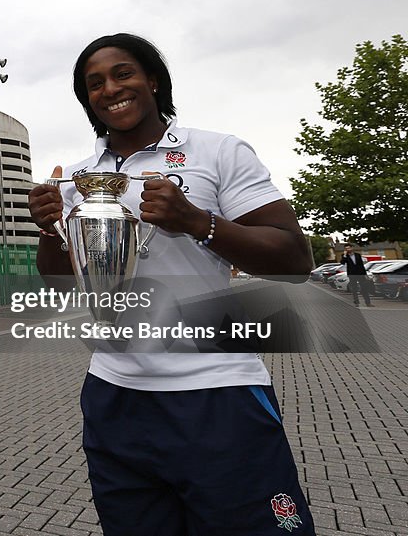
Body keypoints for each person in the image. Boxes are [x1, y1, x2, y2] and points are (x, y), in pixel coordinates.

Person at [27, 33, 316, 535]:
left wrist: (198, 221)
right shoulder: (78, 177)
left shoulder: (217, 151)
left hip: (215, 392)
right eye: (94, 84)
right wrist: (50, 231)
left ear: (152, 80)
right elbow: (62, 288)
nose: (110, 89)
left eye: (123, 73)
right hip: (113, 394)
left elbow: (294, 257)